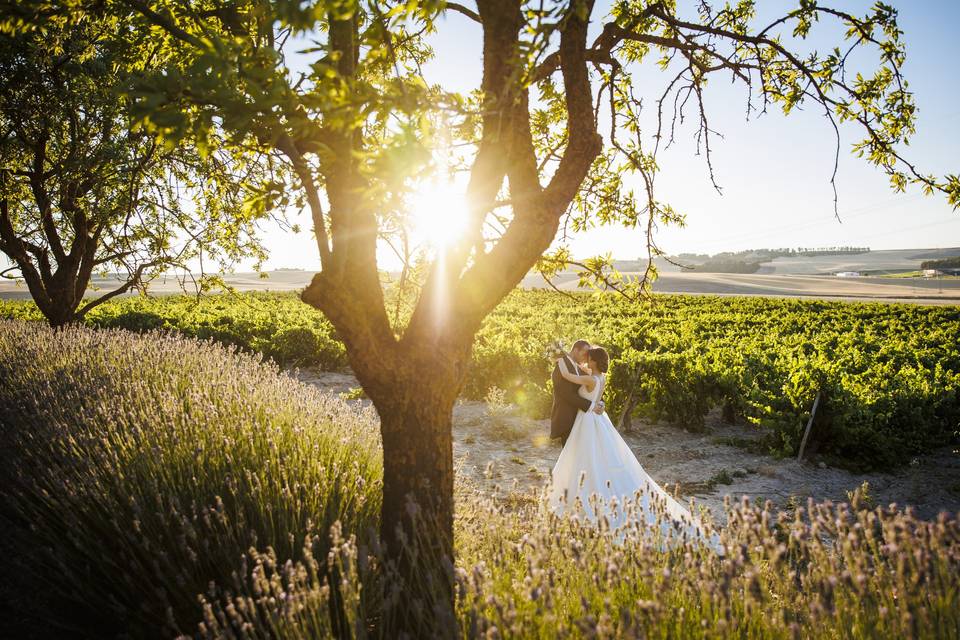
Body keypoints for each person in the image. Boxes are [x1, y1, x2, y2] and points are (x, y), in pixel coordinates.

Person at [547, 345, 724, 554]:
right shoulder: (599, 378)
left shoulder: (589, 379)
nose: (586, 359)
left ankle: (582, 499)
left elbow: (569, 376)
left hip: (586, 422)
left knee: (586, 458)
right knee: (596, 458)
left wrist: (559, 363)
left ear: (593, 361)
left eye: (589, 357)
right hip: (596, 419)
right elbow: (586, 386)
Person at [549, 339, 604, 446]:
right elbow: (567, 395)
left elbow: (594, 387)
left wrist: (601, 403)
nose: (587, 358)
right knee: (570, 456)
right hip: (567, 419)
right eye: (585, 354)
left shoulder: (580, 368)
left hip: (581, 419)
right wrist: (592, 406)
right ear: (575, 350)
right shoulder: (561, 367)